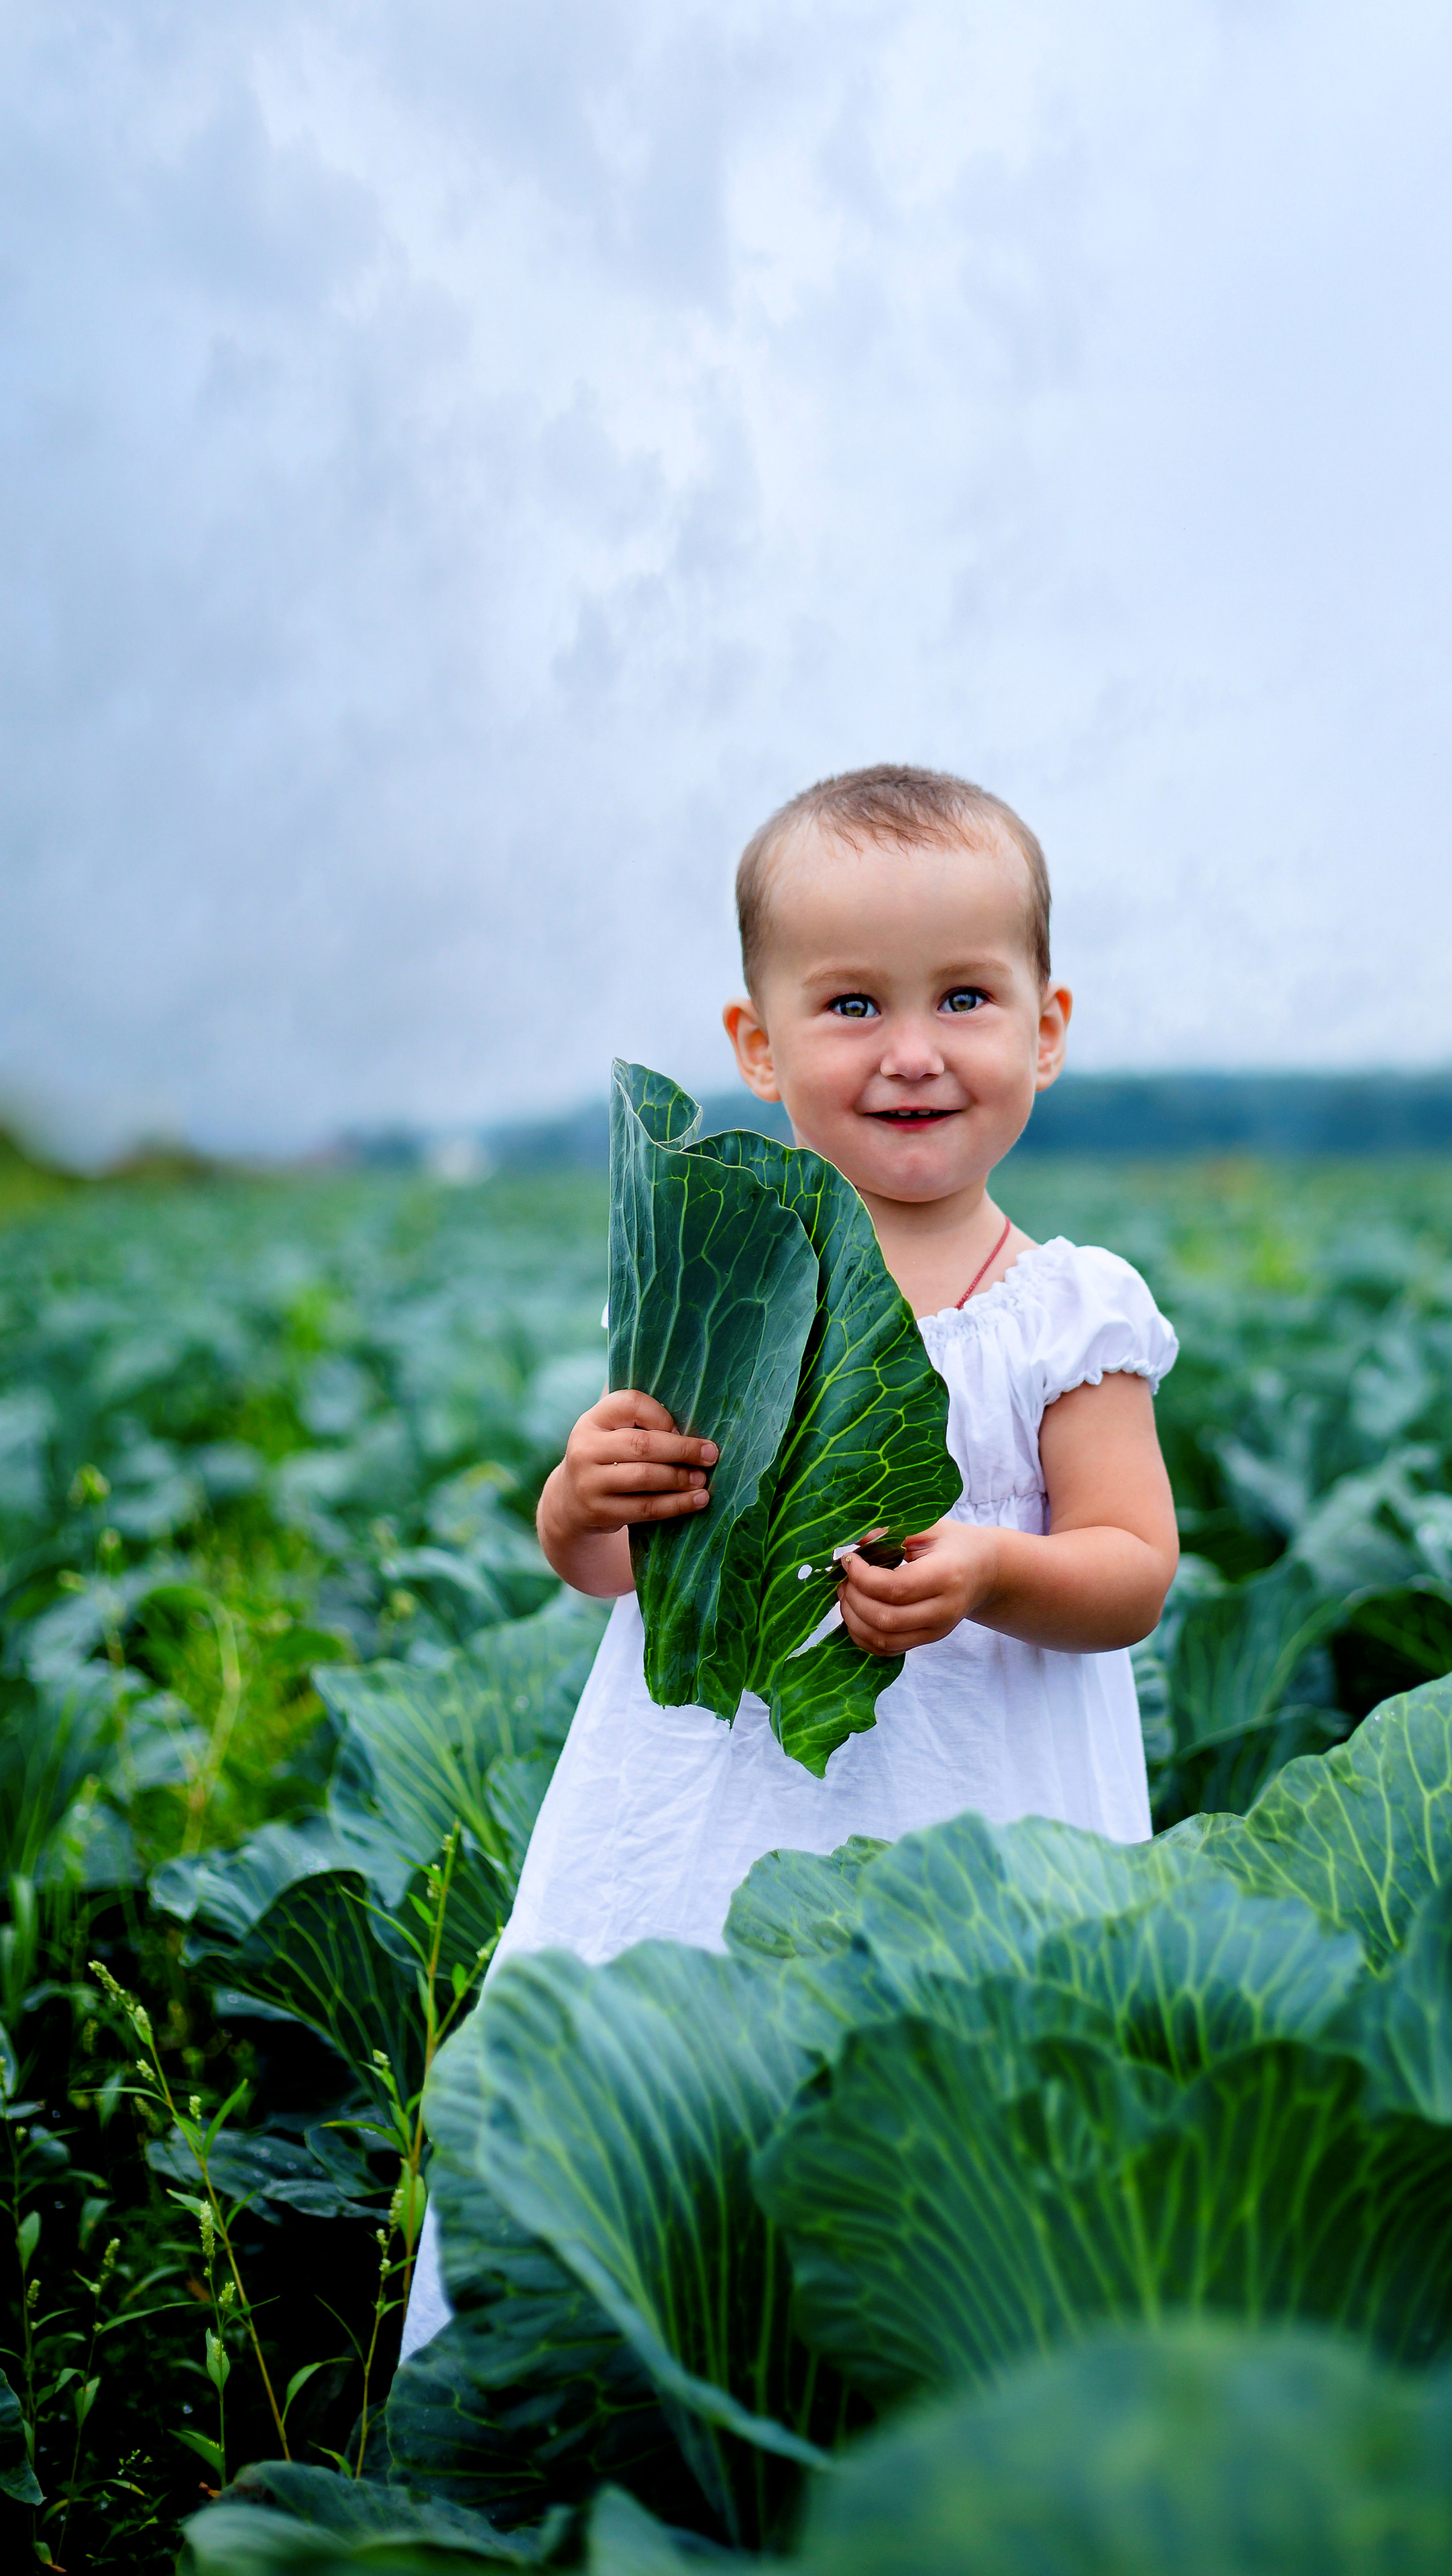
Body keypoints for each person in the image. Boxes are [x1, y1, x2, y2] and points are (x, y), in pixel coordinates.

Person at [401, 763, 1178, 2358]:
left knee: (961, 2163)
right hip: (709, 1808)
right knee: (680, 2124)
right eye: (847, 1006)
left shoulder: (1063, 1311)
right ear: (756, 1047)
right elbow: (607, 1572)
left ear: (1046, 1026)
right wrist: (581, 1493)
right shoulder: (721, 1288)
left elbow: (1130, 1568)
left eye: (964, 997)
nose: (910, 1053)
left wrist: (986, 1573)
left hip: (972, 1807)